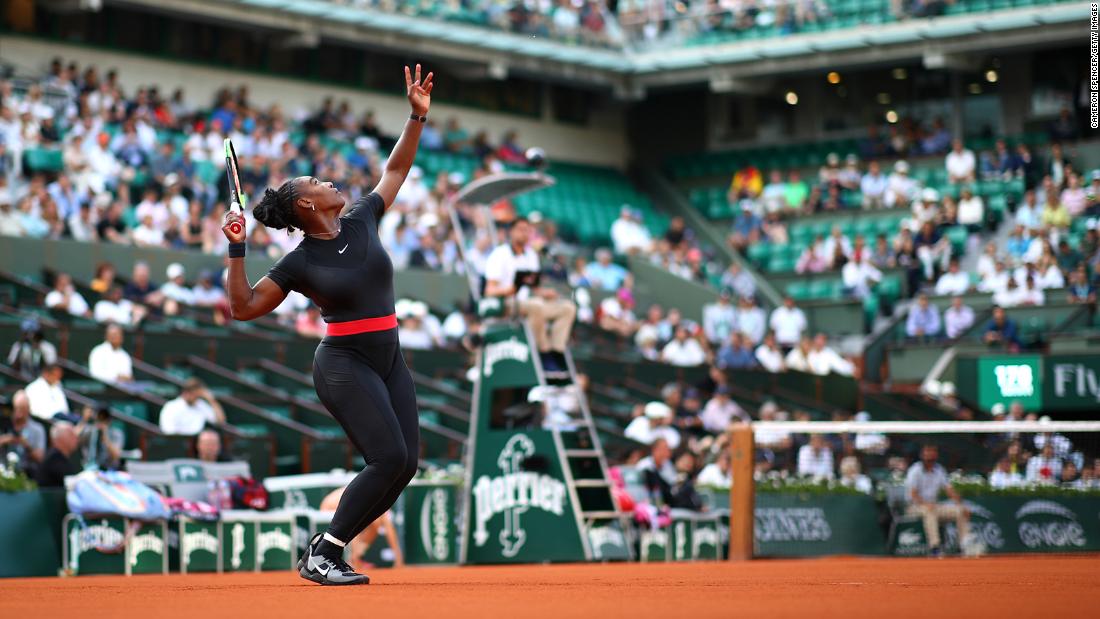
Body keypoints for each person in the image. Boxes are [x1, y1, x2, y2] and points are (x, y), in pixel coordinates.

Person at [220, 65, 432, 586]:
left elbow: (396, 172)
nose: (330, 180)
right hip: (343, 362)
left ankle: (328, 548)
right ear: (307, 204)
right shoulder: (298, 262)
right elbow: (244, 307)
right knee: (387, 457)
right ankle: (325, 551)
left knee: (405, 463)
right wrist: (236, 247)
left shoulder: (362, 216)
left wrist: (415, 118)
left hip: (389, 357)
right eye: (317, 182)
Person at [484, 216, 577, 373]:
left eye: (527, 230)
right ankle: (542, 353)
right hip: (506, 302)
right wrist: (511, 289)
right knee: (536, 306)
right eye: (521, 229)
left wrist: (545, 293)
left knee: (567, 307)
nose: (524, 233)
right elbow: (489, 290)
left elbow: (533, 287)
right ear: (511, 232)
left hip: (528, 303)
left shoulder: (531, 255)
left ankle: (556, 352)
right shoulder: (500, 254)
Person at [905, 444, 970, 557]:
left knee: (960, 511)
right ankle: (935, 547)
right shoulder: (915, 470)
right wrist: (926, 504)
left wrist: (961, 505)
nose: (929, 454)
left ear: (936, 455)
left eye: (932, 452)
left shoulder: (939, 470)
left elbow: (949, 490)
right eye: (927, 452)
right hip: (914, 506)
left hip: (934, 505)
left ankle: (964, 546)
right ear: (922, 455)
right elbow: (913, 494)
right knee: (930, 512)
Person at [0, 391, 46, 476]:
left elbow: (40, 457)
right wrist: (6, 440)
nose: (19, 413)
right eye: (17, 408)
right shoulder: (3, 425)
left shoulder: (37, 429)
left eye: (22, 409)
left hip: (28, 474)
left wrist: (26, 445)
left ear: (28, 409)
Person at [158, 378, 227, 435]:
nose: (197, 399)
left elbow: (220, 421)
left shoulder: (200, 404)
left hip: (196, 444)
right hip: (177, 443)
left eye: (199, 396)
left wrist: (211, 400)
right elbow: (168, 431)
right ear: (186, 393)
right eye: (195, 395)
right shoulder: (171, 407)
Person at [77, 404, 124, 471]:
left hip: (109, 470)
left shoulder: (116, 433)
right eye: (99, 418)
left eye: (104, 419)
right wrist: (84, 419)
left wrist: (105, 438)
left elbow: (116, 456)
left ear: (109, 420)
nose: (101, 422)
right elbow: (72, 439)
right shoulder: (90, 431)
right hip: (89, 469)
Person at [36, 422, 80, 487]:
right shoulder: (54, 459)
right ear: (61, 438)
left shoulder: (59, 457)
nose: (77, 439)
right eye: (72, 435)